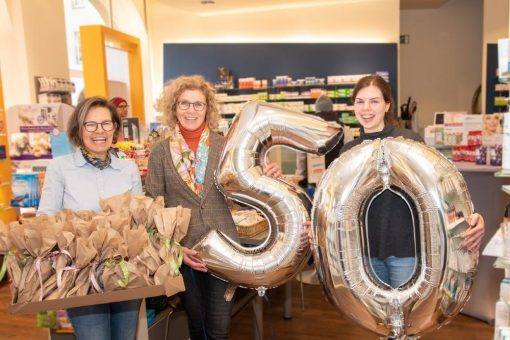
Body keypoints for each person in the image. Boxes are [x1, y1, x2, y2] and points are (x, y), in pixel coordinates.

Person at [308, 75, 485, 289]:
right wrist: (317, 227)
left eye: (374, 101)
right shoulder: (349, 152)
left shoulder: (409, 142)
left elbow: (443, 188)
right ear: (353, 105)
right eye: (360, 101)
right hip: (365, 252)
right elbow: (335, 204)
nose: (366, 108)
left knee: (407, 317)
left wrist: (474, 217)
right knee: (376, 319)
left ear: (387, 105)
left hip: (406, 250)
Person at [145, 75, 285, 339]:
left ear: (208, 109)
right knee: (197, 329)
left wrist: (266, 177)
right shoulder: (160, 152)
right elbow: (154, 207)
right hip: (187, 252)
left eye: (198, 104)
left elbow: (242, 192)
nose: (191, 111)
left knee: (220, 329)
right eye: (184, 104)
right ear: (173, 108)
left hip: (224, 249)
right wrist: (175, 249)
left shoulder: (225, 146)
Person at [38, 96, 142, 339]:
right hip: (81, 275)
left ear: (115, 128)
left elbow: (140, 220)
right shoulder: (60, 168)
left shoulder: (128, 169)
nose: (99, 131)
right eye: (90, 124)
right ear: (78, 129)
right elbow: (45, 217)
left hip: (125, 272)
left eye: (106, 124)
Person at [294, 95, 353, 189]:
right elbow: (350, 155)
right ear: (331, 109)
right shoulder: (344, 129)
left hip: (314, 181)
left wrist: (301, 177)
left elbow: (302, 157)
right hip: (337, 181)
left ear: (317, 110)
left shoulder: (308, 129)